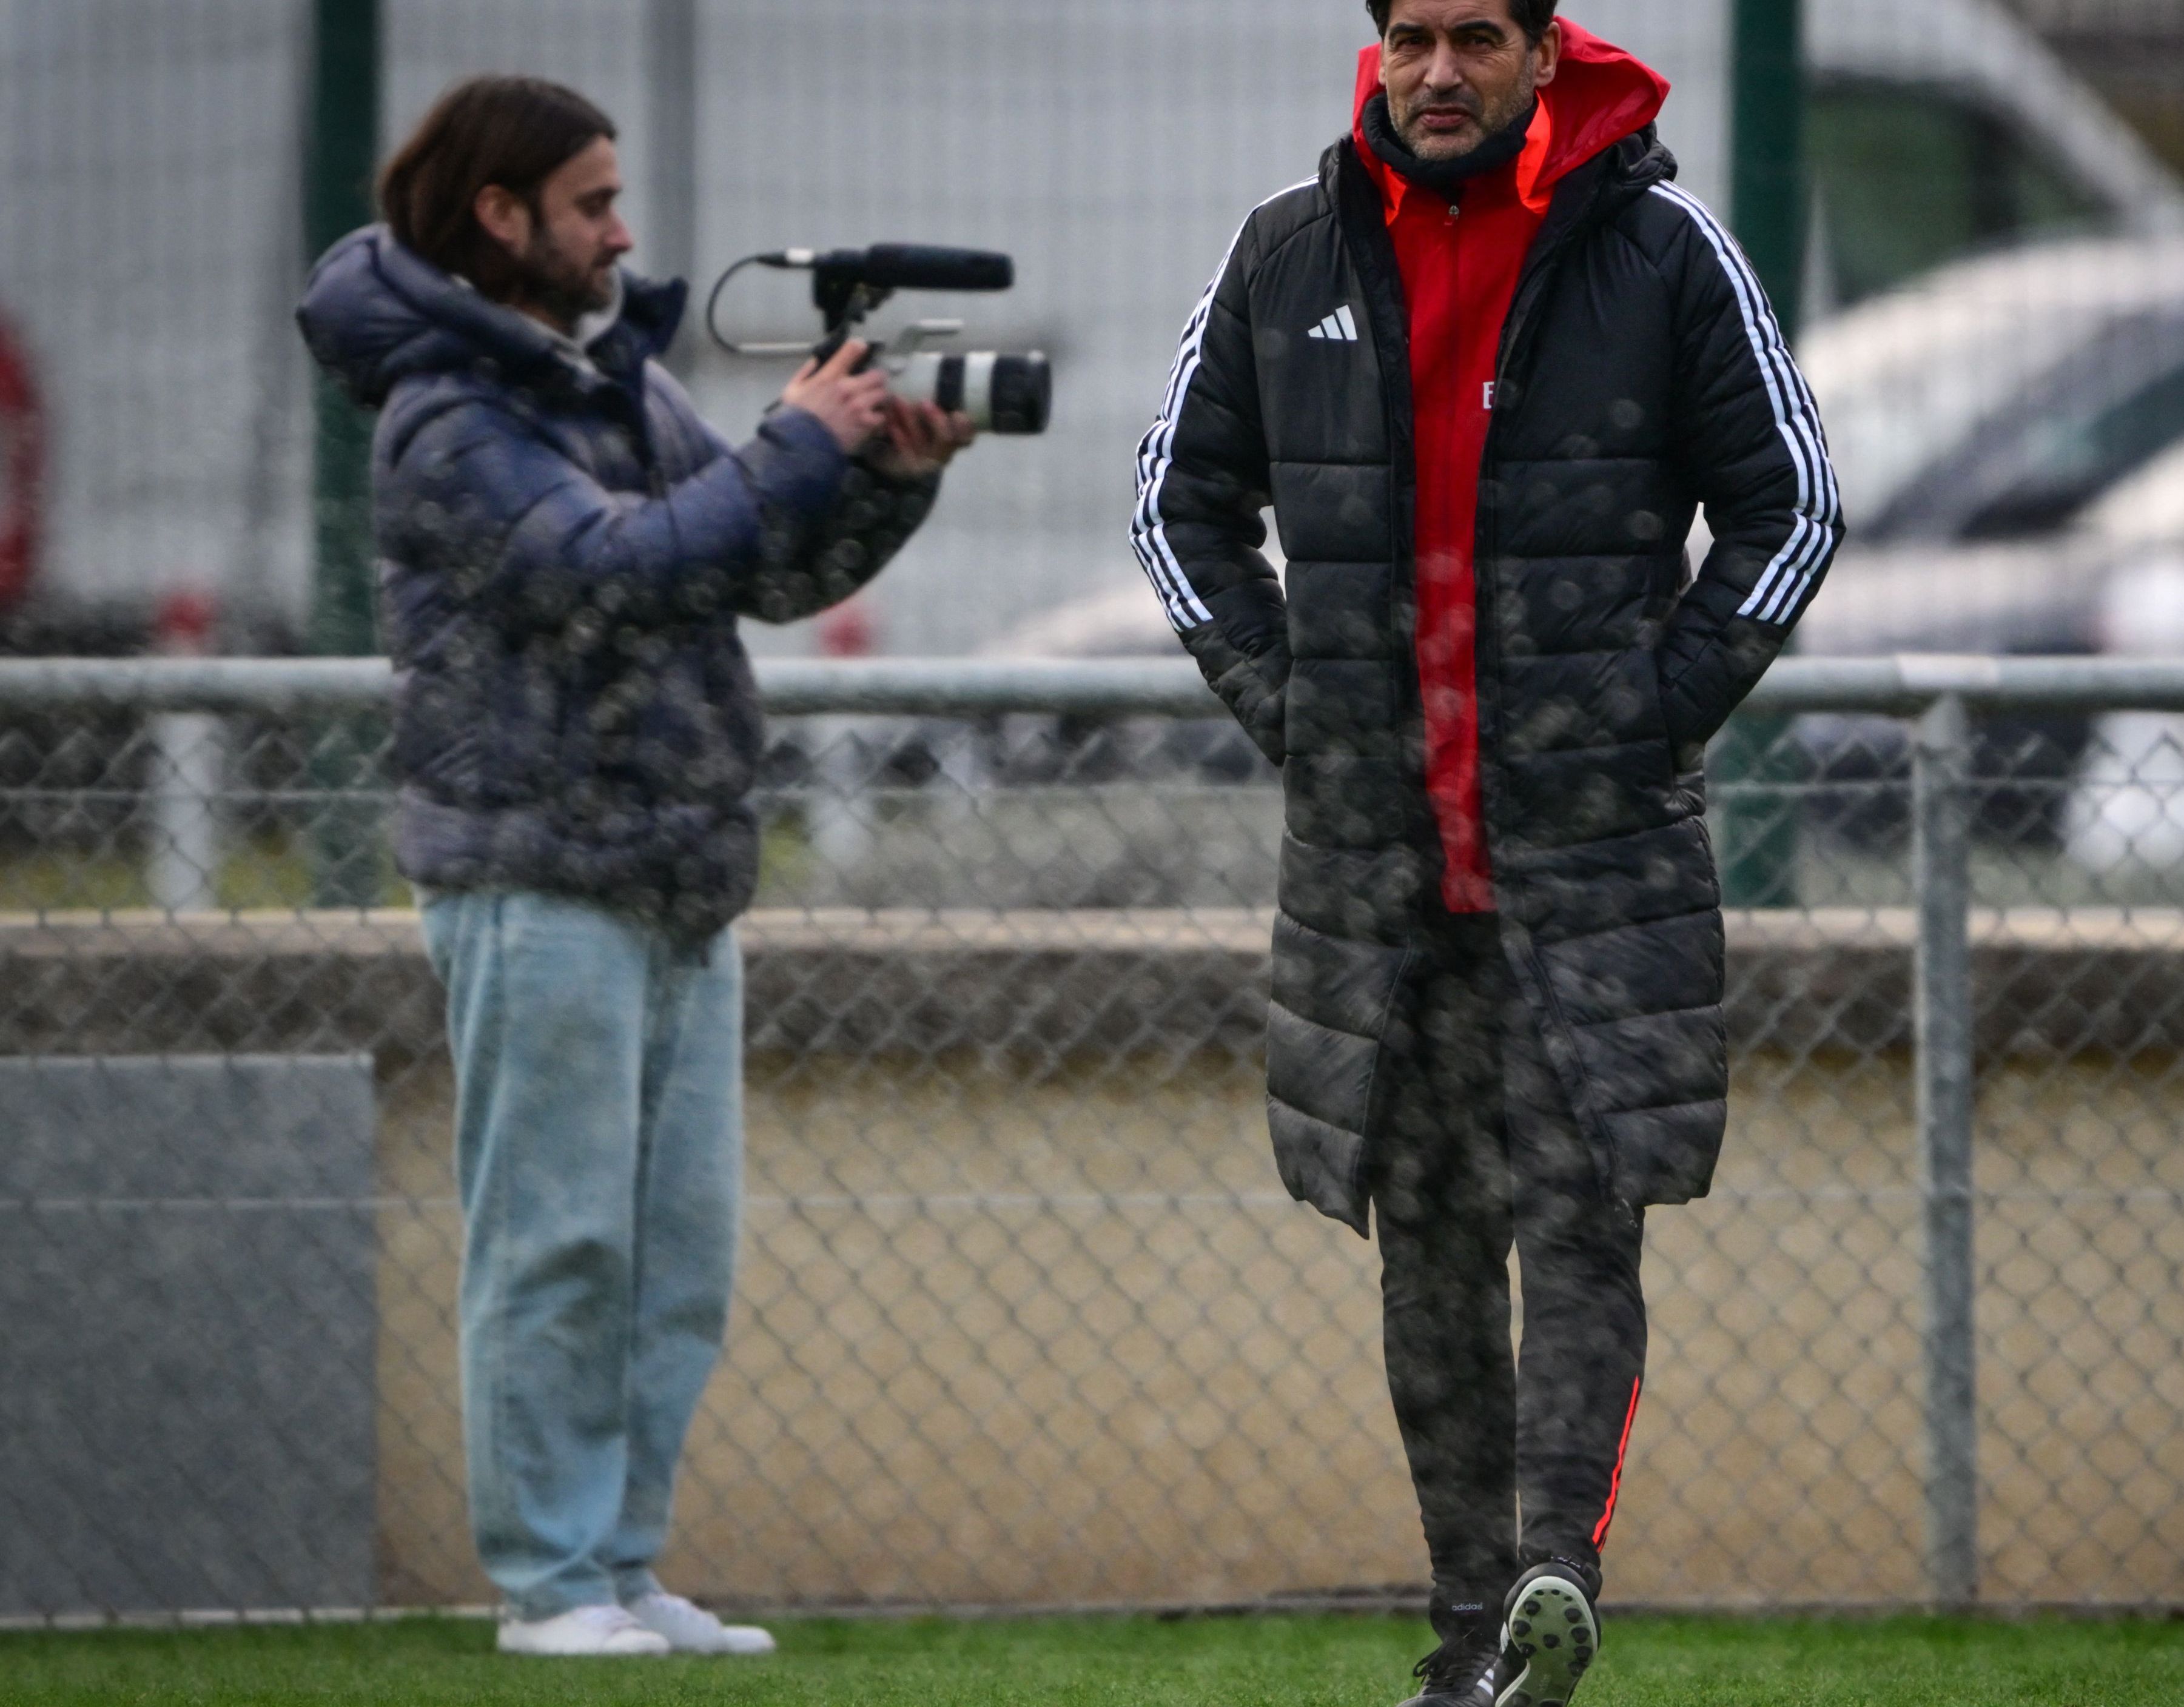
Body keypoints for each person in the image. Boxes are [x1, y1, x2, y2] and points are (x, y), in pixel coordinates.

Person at [1131, 2, 1839, 1701]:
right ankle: (1473, 1644)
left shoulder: (1662, 248)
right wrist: (1295, 710)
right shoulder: (1286, 247)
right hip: (1384, 887)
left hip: (1591, 875)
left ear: (1543, 52)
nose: (1437, 73)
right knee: (1432, 1260)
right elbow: (1175, 507)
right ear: (1376, 56)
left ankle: (1552, 1577)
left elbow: (1792, 507)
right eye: (1410, 40)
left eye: (1475, 39)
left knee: (1584, 1236)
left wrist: (1652, 711)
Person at [298, 75, 973, 1658]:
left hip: (676, 873)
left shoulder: (609, 378)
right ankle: (547, 1587)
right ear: (502, 216)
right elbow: (602, 574)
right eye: (594, 203)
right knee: (558, 1243)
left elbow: (761, 566)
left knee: (675, 1256)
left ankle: (621, 1567)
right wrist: (789, 440)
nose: (622, 230)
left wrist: (881, 471)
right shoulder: (451, 413)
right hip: (535, 876)